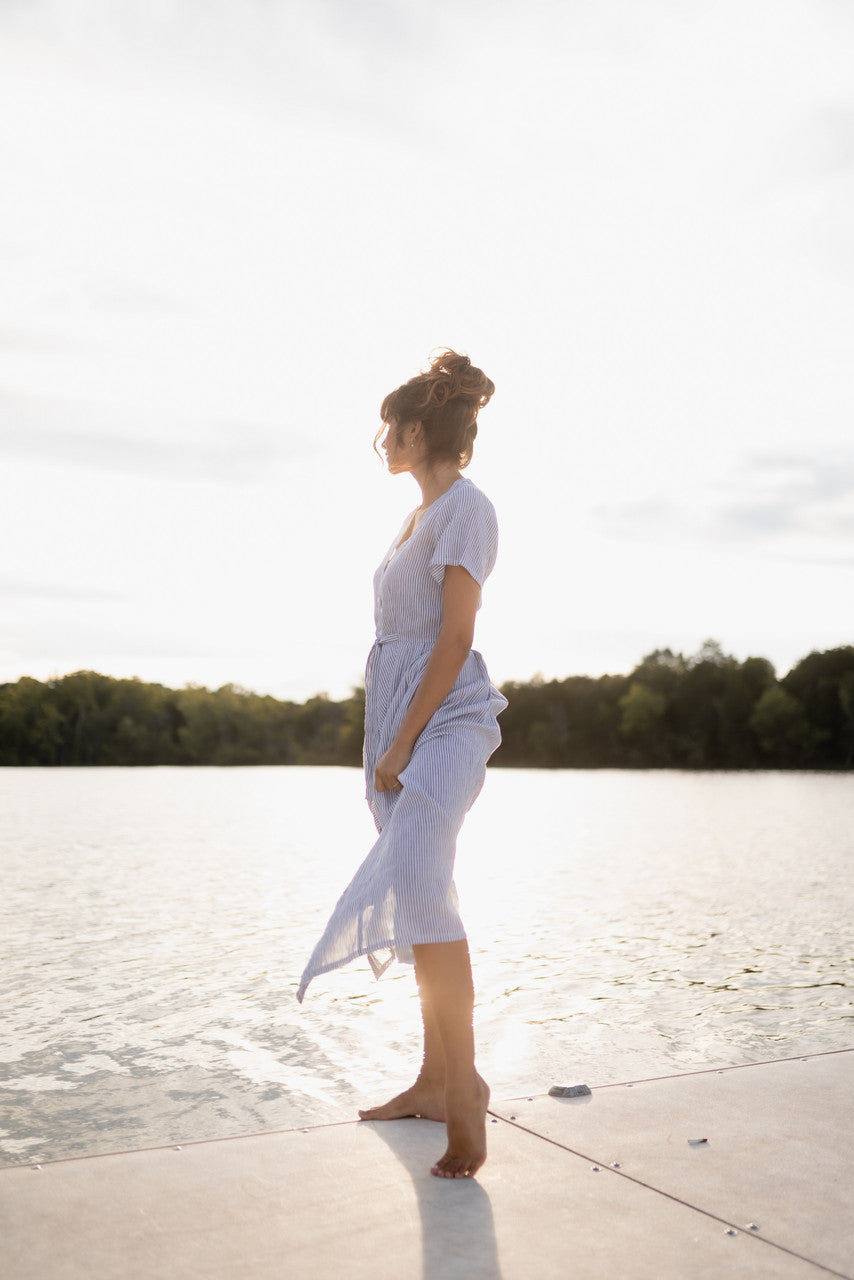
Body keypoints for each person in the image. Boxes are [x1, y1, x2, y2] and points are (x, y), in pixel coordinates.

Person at [297, 349, 507, 1179]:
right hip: (395, 726)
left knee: (421, 877)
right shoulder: (416, 518)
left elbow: (454, 639)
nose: (382, 438)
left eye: (390, 425)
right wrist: (384, 737)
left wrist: (404, 740)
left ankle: (464, 1096)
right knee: (425, 899)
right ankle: (430, 1080)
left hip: (444, 721)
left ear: (418, 431)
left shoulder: (468, 509)